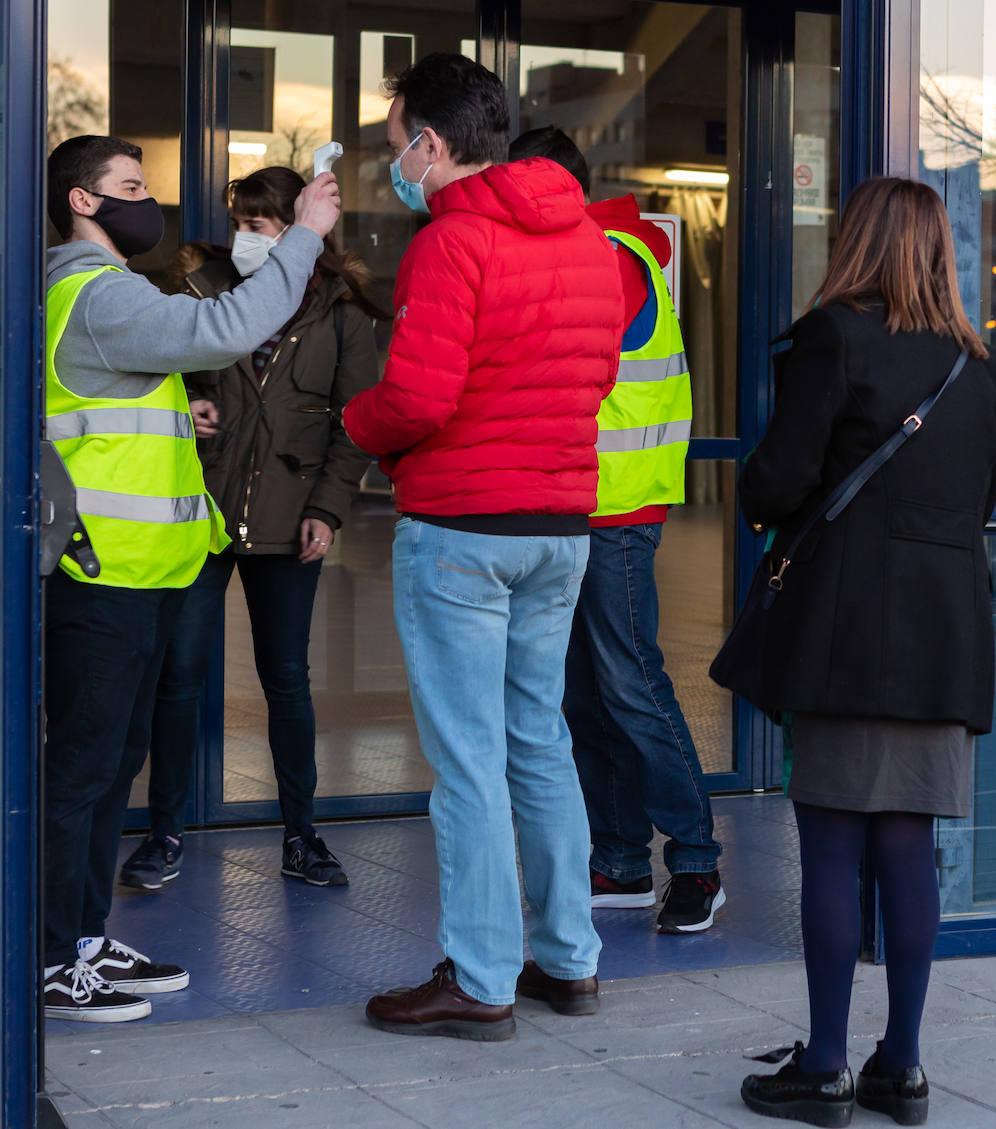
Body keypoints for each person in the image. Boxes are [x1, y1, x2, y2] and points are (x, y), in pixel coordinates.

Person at [342, 54, 623, 1040]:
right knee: (539, 742)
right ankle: (569, 960)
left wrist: (355, 422)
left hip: (463, 528)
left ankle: (479, 975)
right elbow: (589, 381)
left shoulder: (452, 243)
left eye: (396, 148)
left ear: (432, 141)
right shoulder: (590, 243)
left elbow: (418, 397)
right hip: (559, 528)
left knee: (468, 761)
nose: (394, 167)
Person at [42, 134, 339, 1023]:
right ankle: (53, 956)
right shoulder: (92, 290)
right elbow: (225, 326)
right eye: (130, 186)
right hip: (101, 577)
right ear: (82, 202)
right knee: (84, 769)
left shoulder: (110, 296)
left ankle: (84, 939)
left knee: (110, 763)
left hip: (135, 575)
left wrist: (185, 408)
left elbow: (121, 400)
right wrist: (307, 235)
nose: (150, 201)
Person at [733, 177, 996, 1125]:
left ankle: (824, 1065)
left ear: (858, 243)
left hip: (848, 632)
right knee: (908, 848)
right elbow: (982, 502)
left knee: (834, 852)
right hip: (946, 636)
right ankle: (904, 1065)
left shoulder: (834, 336)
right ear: (938, 249)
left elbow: (777, 479)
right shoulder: (983, 364)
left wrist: (759, 498)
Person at [117, 166, 385, 893]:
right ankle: (164, 831)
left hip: (292, 521)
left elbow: (354, 426)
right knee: (178, 678)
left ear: (296, 227)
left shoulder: (340, 311)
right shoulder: (196, 292)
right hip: (199, 515)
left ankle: (302, 835)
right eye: (239, 222)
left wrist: (326, 511)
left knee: (287, 680)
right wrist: (185, 411)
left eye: (260, 225)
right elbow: (151, 376)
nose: (245, 238)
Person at [506, 127, 724, 933]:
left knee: (631, 685)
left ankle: (696, 860)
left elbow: (557, 374)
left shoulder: (610, 256)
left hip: (614, 513)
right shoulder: (588, 251)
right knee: (585, 694)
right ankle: (622, 857)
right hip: (571, 506)